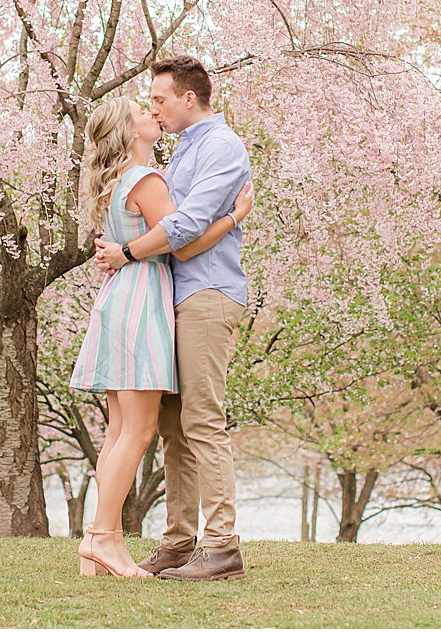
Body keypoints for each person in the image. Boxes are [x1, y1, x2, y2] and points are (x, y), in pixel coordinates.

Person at [70, 95, 252, 578]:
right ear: (129, 133)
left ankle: (97, 540)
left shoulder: (117, 182)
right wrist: (235, 217)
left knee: (119, 431)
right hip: (142, 299)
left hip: (121, 297)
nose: (152, 113)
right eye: (141, 111)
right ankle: (105, 540)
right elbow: (184, 240)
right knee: (140, 430)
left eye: (154, 104)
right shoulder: (145, 180)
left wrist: (123, 251)